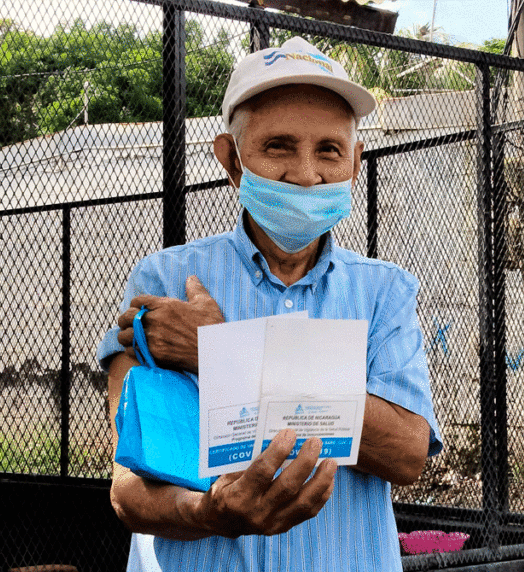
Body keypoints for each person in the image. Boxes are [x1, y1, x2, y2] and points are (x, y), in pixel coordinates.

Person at [96, 36, 442, 572]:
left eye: (330, 149)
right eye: (278, 145)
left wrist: (226, 355)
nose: (306, 174)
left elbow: (406, 451)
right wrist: (210, 513)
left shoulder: (385, 292)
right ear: (231, 160)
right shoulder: (165, 279)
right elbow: (130, 492)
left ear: (355, 164)